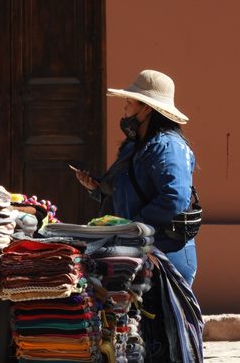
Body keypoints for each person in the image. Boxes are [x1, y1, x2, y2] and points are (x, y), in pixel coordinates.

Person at [74, 69, 198, 286]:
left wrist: (133, 225)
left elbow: (175, 199)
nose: (125, 108)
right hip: (137, 250)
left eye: (130, 102)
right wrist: (96, 188)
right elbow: (126, 194)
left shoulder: (169, 147)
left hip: (166, 253)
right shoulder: (134, 147)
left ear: (147, 108)